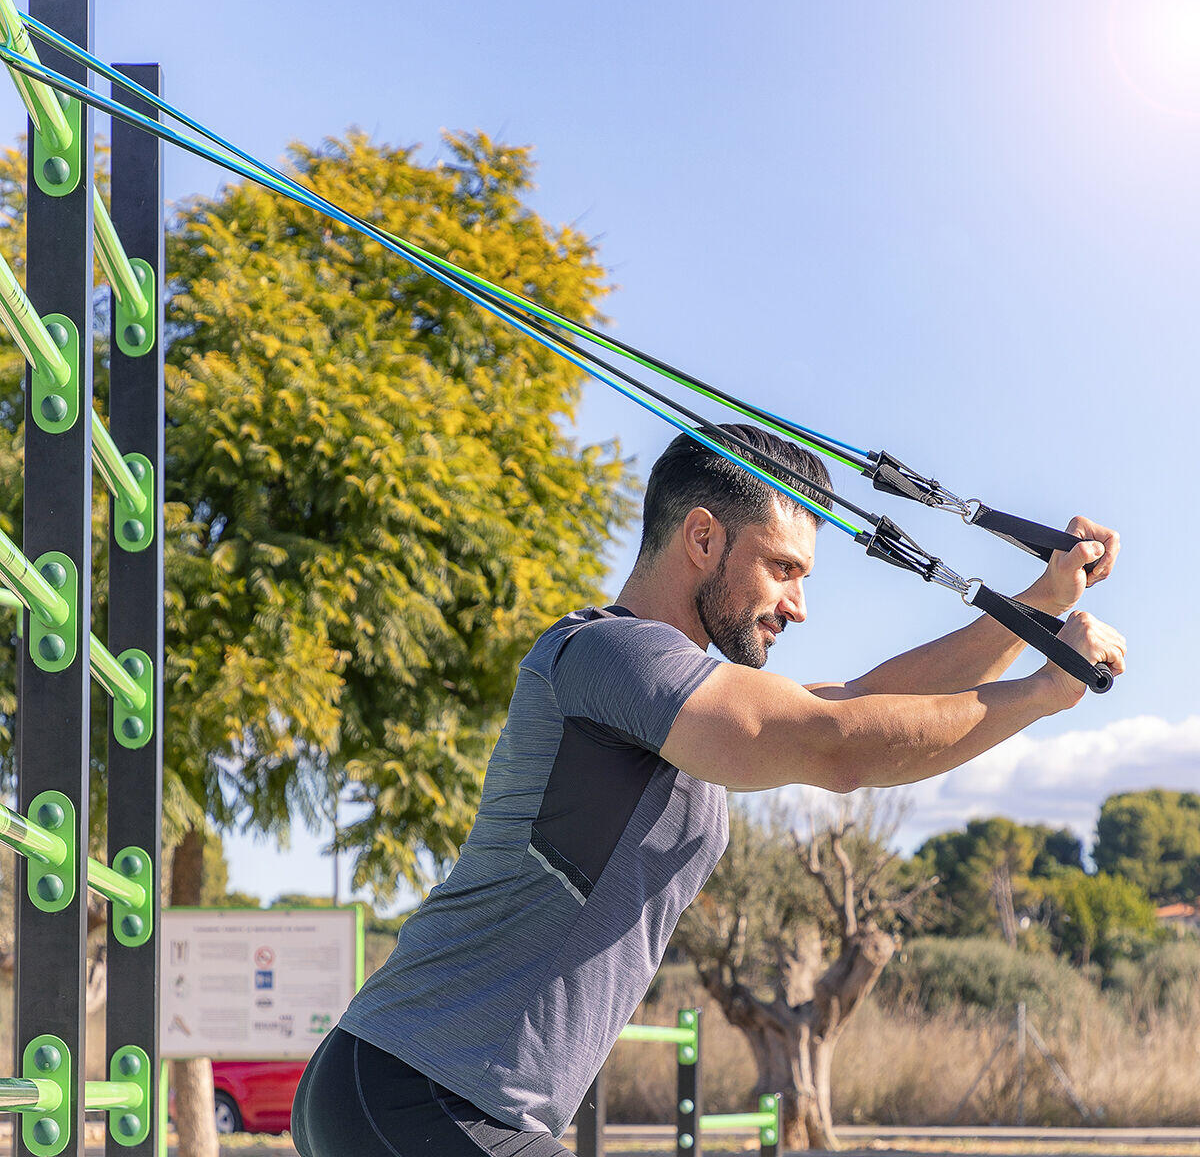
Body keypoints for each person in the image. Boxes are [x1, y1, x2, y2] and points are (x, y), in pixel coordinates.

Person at [290, 423, 1124, 1156]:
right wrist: (1041, 693)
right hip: (417, 1087)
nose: (798, 605)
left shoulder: (678, 698)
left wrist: (1043, 603)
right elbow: (838, 747)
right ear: (701, 537)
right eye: (784, 568)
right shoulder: (612, 654)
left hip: (432, 1096)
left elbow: (867, 702)